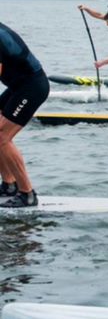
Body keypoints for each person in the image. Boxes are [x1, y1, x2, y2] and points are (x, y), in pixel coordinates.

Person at [0, 22, 50, 207]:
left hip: (32, 87)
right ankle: (9, 185)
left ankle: (27, 194)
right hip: (19, 87)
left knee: (3, 137)